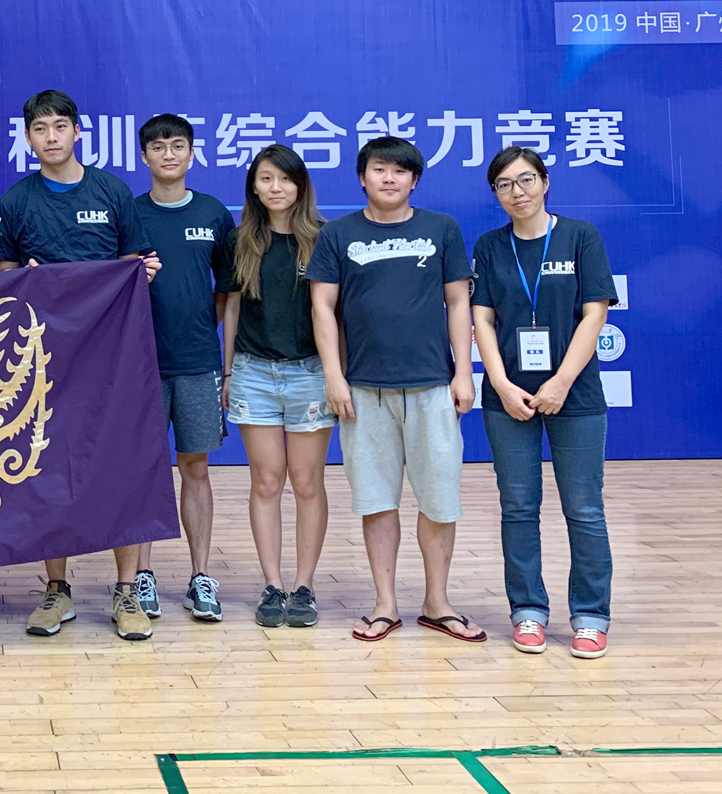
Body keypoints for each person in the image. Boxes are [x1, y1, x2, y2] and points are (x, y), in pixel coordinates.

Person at [0, 89, 161, 641]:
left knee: (122, 464)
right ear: (28, 138)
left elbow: (140, 262)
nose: (52, 136)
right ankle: (56, 589)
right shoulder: (16, 200)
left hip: (113, 356)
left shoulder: (111, 192)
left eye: (61, 126)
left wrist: (141, 273)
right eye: (40, 128)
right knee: (48, 466)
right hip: (43, 361)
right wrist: (24, 280)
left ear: (79, 132)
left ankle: (128, 589)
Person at [306, 136, 485, 643]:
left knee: (439, 499)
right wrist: (334, 376)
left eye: (400, 171)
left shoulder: (441, 229)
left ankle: (437, 602)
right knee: (376, 500)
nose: (389, 179)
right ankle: (385, 603)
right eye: (379, 170)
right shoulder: (338, 234)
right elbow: (323, 308)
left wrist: (464, 371)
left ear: (414, 180)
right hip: (363, 390)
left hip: (432, 386)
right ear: (362, 177)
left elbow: (457, 302)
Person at [472, 147, 616, 659]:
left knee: (584, 508)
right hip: (506, 398)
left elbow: (593, 315)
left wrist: (559, 382)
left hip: (574, 395)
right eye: (505, 184)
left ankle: (591, 616)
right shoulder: (490, 245)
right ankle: (527, 611)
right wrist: (503, 384)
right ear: (495, 194)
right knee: (518, 507)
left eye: (526, 180)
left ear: (546, 181)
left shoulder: (580, 236)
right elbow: (482, 320)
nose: (518, 191)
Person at [216, 145, 335, 629]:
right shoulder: (240, 239)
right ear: (254, 186)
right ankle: (272, 584)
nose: (276, 188)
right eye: (266, 179)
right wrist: (227, 374)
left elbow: (336, 315)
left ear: (301, 185)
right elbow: (231, 309)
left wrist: (335, 375)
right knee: (266, 481)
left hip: (310, 373)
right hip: (253, 373)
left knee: (307, 482)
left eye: (285, 179)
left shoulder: (326, 239)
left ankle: (304, 585)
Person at [130, 114, 234, 622]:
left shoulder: (215, 213)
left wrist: (222, 362)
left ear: (191, 155)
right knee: (145, 472)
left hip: (197, 365)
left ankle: (199, 576)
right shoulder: (127, 214)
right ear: (143, 157)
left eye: (177, 146)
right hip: (139, 368)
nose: (168, 154)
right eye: (157, 146)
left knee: (195, 468)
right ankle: (142, 576)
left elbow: (227, 294)